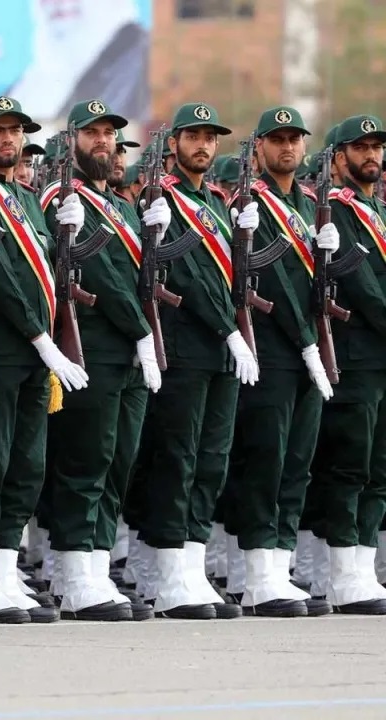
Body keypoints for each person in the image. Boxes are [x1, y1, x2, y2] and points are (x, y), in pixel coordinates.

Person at [0, 96, 86, 624]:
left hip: (34, 355)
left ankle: (4, 571)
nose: (9, 140)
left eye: (16, 132)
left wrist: (67, 233)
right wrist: (39, 336)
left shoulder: (25, 198)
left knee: (26, 467)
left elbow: (44, 272)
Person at [39, 99, 161, 622]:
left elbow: (140, 277)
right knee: (85, 462)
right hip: (92, 348)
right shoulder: (63, 198)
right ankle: (73, 575)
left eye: (109, 134)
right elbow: (102, 278)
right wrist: (141, 331)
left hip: (130, 352)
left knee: (117, 464)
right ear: (72, 141)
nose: (103, 142)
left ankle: (96, 567)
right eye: (92, 134)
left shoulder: (120, 205)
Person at [136, 102, 259, 620]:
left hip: (223, 352)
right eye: (193, 137)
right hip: (185, 346)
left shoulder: (216, 201)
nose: (203, 146)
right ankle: (168, 576)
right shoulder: (161, 198)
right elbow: (184, 276)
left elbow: (231, 278)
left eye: (210, 138)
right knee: (177, 459)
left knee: (211, 461)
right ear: (174, 144)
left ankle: (191, 567)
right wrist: (229, 330)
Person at [221, 106, 338, 618]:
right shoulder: (251, 202)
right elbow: (274, 281)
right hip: (270, 348)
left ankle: (281, 564)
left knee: (297, 464)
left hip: (311, 349)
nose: (287, 147)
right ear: (260, 148)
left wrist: (331, 254)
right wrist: (308, 343)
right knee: (265, 460)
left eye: (294, 139)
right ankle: (257, 573)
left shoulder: (310, 204)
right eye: (277, 139)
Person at [309, 114, 386, 614]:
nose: (372, 155)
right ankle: (342, 572)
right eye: (361, 147)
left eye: (377, 147)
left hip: (381, 358)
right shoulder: (335, 210)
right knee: (350, 463)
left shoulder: (378, 210)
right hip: (356, 357)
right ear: (339, 158)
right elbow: (363, 287)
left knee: (379, 468)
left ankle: (363, 566)